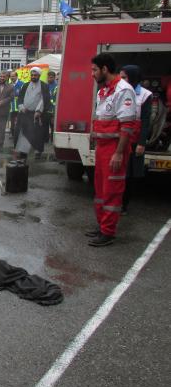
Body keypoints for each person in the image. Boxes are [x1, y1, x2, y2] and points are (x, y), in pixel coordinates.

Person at [85, 53, 137, 247]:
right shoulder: (103, 91)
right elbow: (101, 117)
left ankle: (108, 232)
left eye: (94, 70)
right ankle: (101, 226)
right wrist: (94, 132)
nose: (92, 74)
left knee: (111, 192)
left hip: (115, 149)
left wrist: (118, 153)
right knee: (99, 190)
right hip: (102, 147)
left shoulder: (124, 90)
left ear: (105, 69)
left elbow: (127, 126)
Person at [119, 65, 152, 215]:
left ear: (132, 78)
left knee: (129, 175)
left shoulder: (145, 95)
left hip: (134, 138)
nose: (121, 80)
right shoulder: (118, 91)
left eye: (124, 77)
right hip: (119, 137)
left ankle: (124, 204)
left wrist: (141, 143)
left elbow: (145, 121)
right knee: (118, 172)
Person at [15, 67, 50, 159]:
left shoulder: (44, 86)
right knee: (24, 132)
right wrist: (22, 107)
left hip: (37, 115)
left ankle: (37, 151)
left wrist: (38, 111)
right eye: (32, 75)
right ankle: (23, 152)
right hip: (25, 113)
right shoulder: (25, 85)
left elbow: (44, 99)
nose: (33, 77)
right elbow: (20, 98)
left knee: (38, 134)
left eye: (35, 75)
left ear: (39, 76)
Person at [8, 70, 24, 140]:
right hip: (11, 107)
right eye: (11, 76)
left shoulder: (21, 84)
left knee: (20, 121)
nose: (12, 78)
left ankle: (20, 135)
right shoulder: (9, 84)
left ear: (17, 76)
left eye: (13, 76)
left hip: (19, 106)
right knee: (12, 122)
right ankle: (13, 134)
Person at [47, 70, 58, 142]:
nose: (49, 79)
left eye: (51, 77)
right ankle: (46, 139)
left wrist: (54, 112)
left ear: (54, 77)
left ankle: (53, 140)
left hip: (53, 110)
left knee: (53, 125)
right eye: (48, 77)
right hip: (46, 109)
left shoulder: (57, 86)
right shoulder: (46, 85)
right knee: (45, 126)